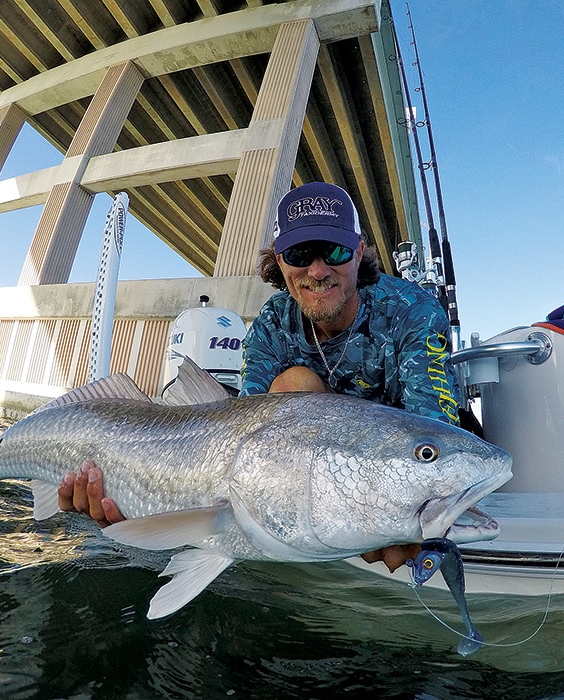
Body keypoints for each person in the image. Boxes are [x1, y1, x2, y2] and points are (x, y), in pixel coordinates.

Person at [59, 181, 463, 569]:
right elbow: (242, 434)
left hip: (375, 470)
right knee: (295, 385)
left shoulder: (415, 312)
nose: (317, 270)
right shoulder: (271, 324)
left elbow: (432, 425)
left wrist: (395, 511)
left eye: (334, 252)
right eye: (300, 254)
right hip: (305, 483)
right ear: (280, 262)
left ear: (358, 253)